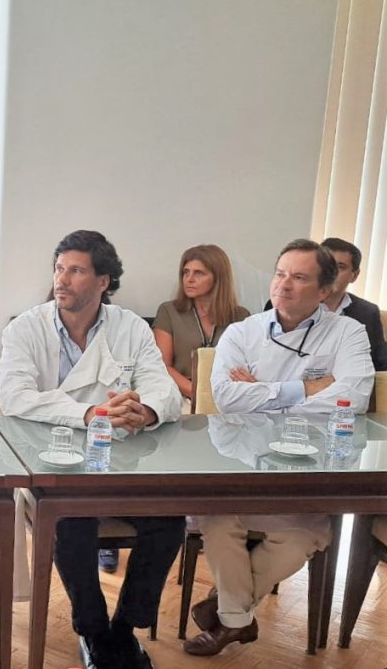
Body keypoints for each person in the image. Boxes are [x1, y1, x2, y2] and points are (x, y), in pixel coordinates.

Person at [0, 230, 183, 669]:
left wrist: (146, 411)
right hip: (51, 464)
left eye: (76, 271)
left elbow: (164, 388)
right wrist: (88, 413)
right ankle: (94, 630)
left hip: (122, 464)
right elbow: (15, 397)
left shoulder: (129, 327)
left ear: (103, 281)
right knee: (72, 522)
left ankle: (125, 629)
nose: (62, 279)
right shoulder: (26, 328)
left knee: (169, 520)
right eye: (59, 269)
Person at [184, 238, 374, 656]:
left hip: (307, 478)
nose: (284, 285)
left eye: (299, 277)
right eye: (280, 274)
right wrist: (307, 389)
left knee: (301, 537)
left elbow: (354, 397)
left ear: (324, 290)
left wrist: (264, 395)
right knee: (217, 520)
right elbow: (226, 397)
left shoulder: (348, 332)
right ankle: (236, 619)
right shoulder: (243, 331)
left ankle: (226, 612)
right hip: (239, 470)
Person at [260, 237, 386, 371]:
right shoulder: (283, 303)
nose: (332, 273)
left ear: (354, 275)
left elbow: (378, 362)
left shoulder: (367, 312)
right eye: (327, 267)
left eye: (340, 267)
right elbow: (266, 359)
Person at [153, 244, 250, 399]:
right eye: (186, 272)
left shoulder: (241, 316)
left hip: (228, 395)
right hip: (183, 395)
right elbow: (162, 366)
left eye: (198, 273)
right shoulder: (169, 311)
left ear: (218, 278)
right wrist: (200, 395)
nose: (189, 279)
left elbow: (247, 366)